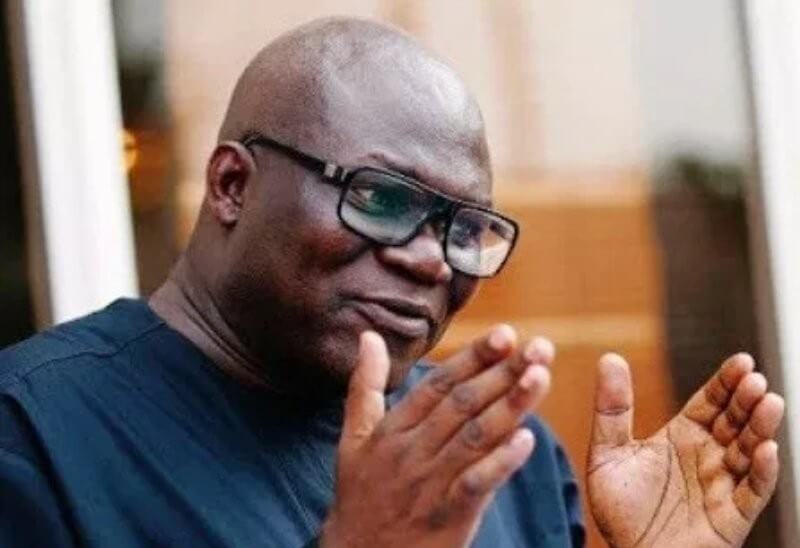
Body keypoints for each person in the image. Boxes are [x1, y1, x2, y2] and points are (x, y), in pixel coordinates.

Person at [0, 17, 784, 548]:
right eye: (380, 198)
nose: (433, 260)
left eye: (464, 229)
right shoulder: (32, 437)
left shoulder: (492, 455)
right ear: (233, 185)